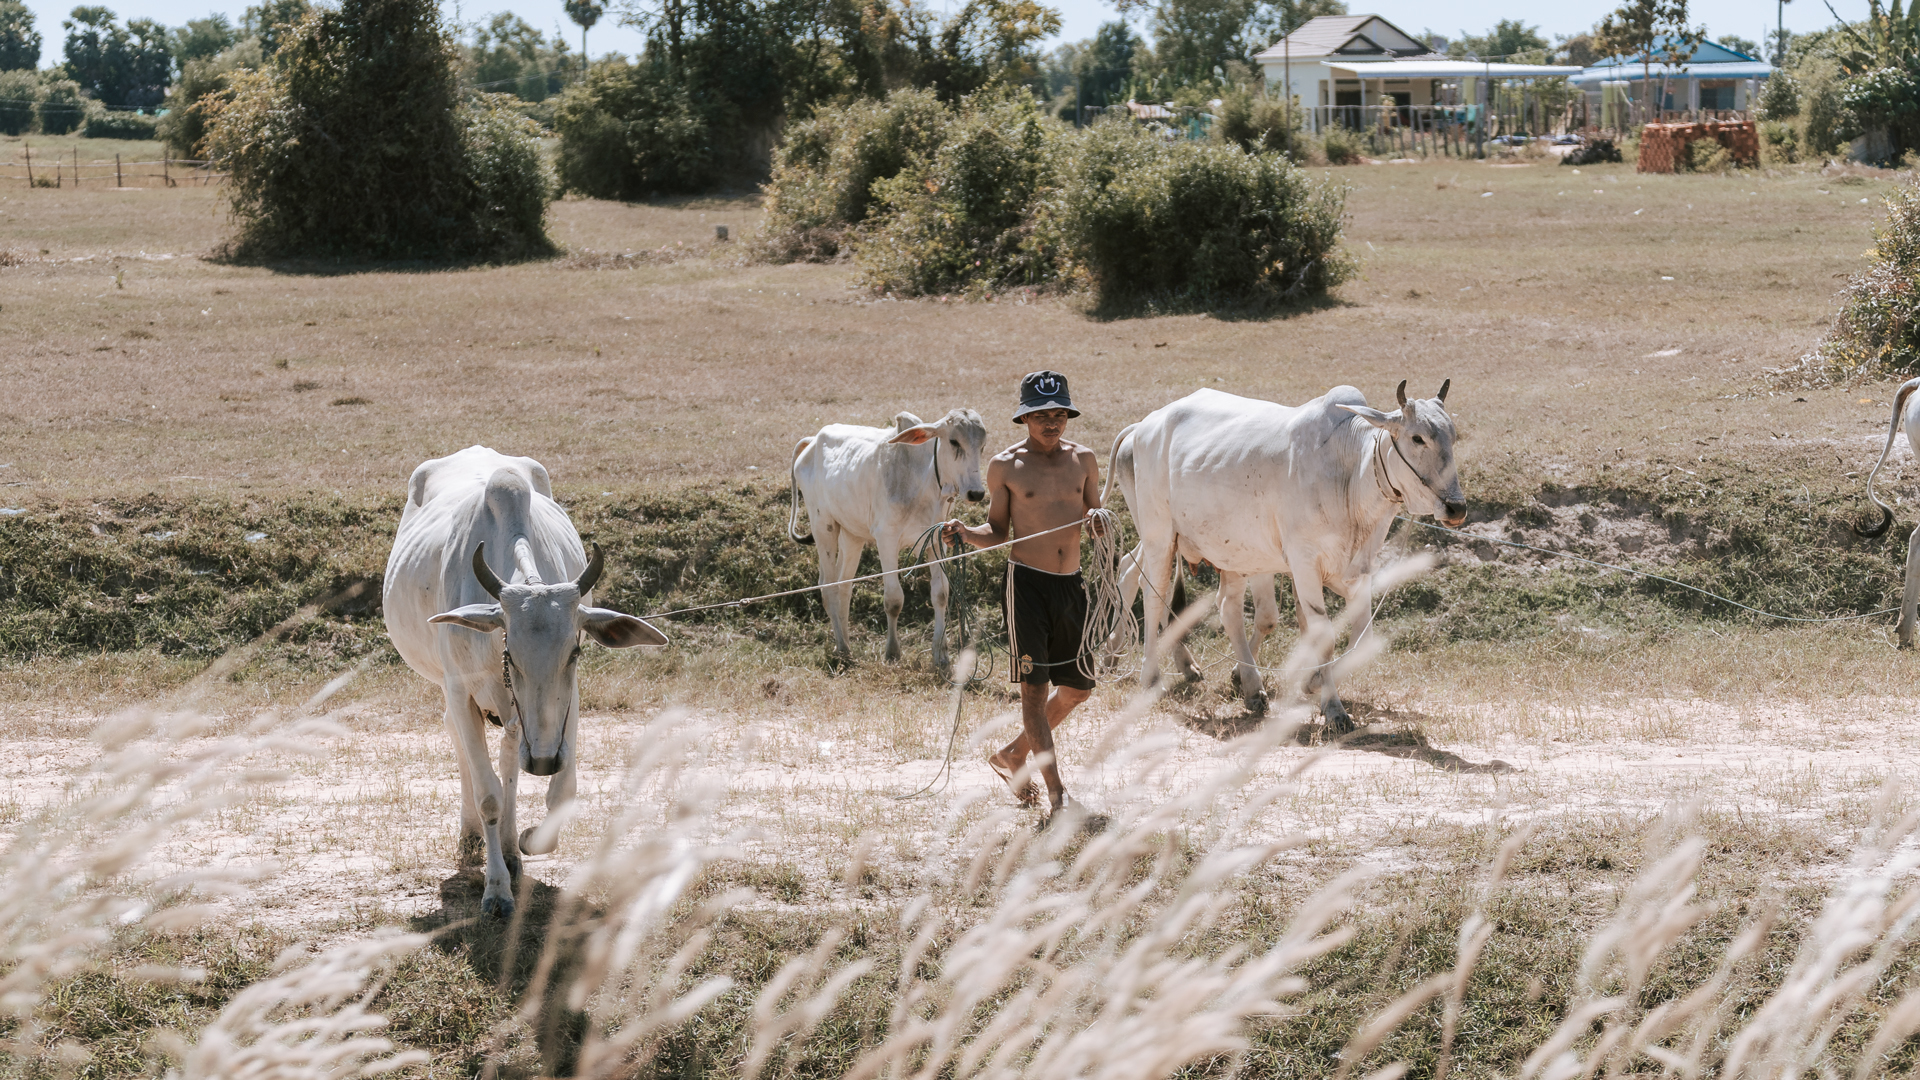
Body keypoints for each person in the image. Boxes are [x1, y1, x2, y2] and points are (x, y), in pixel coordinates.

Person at [944, 370, 1105, 816]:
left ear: (1068, 414)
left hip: (1072, 585)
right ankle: (1059, 795)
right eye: (1041, 415)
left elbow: (1095, 516)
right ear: (1024, 418)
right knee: (1035, 691)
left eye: (1059, 414)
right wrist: (964, 533)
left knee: (1077, 689)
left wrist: (1099, 524)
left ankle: (1014, 754)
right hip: (1027, 586)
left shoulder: (1085, 460)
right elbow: (997, 531)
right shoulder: (1005, 466)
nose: (1051, 423)